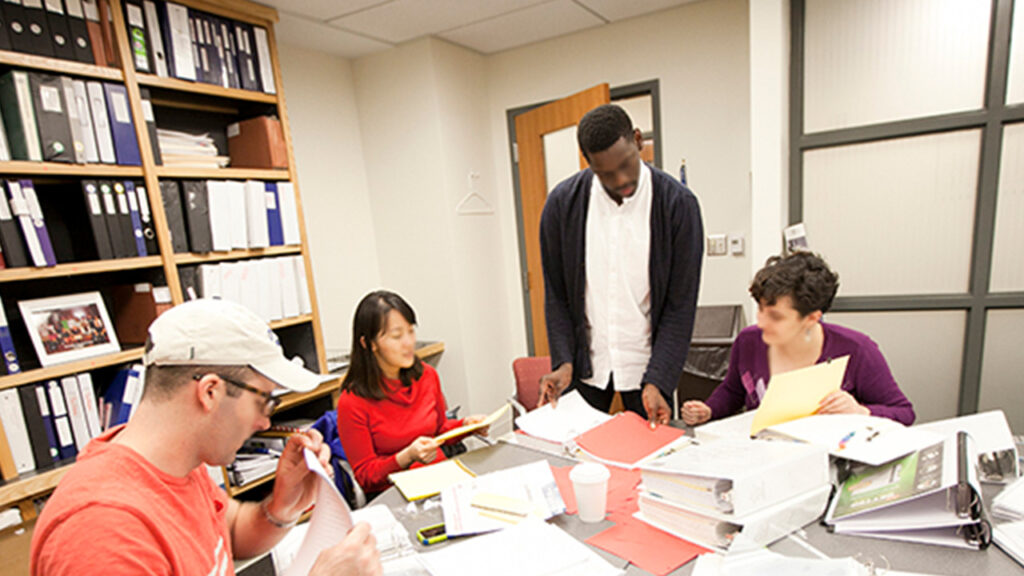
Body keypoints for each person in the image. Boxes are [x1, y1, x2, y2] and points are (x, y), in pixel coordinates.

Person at [30, 299, 381, 576]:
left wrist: (284, 505)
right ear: (210, 392)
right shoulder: (103, 531)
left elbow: (229, 533)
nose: (264, 422)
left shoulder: (178, 463)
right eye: (265, 400)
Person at [537, 104, 704, 425]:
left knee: (652, 464)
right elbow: (557, 294)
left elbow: (680, 306)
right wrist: (563, 362)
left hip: (648, 371)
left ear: (638, 140)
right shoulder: (561, 205)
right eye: (606, 173)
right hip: (585, 370)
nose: (621, 180)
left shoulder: (678, 206)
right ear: (588, 162)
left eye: (626, 164)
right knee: (579, 462)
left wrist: (660, 378)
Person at [682, 252, 915, 426]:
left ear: (811, 318)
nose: (762, 322)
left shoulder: (856, 349)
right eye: (760, 310)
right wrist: (709, 410)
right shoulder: (749, 341)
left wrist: (860, 411)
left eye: (776, 316)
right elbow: (733, 391)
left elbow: (904, 413)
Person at [337, 290, 489, 495]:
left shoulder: (427, 376)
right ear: (368, 344)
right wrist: (406, 456)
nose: (409, 342)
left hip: (442, 480)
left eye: (411, 331)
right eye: (397, 336)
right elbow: (365, 476)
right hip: (396, 494)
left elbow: (439, 431)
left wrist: (466, 426)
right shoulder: (352, 402)